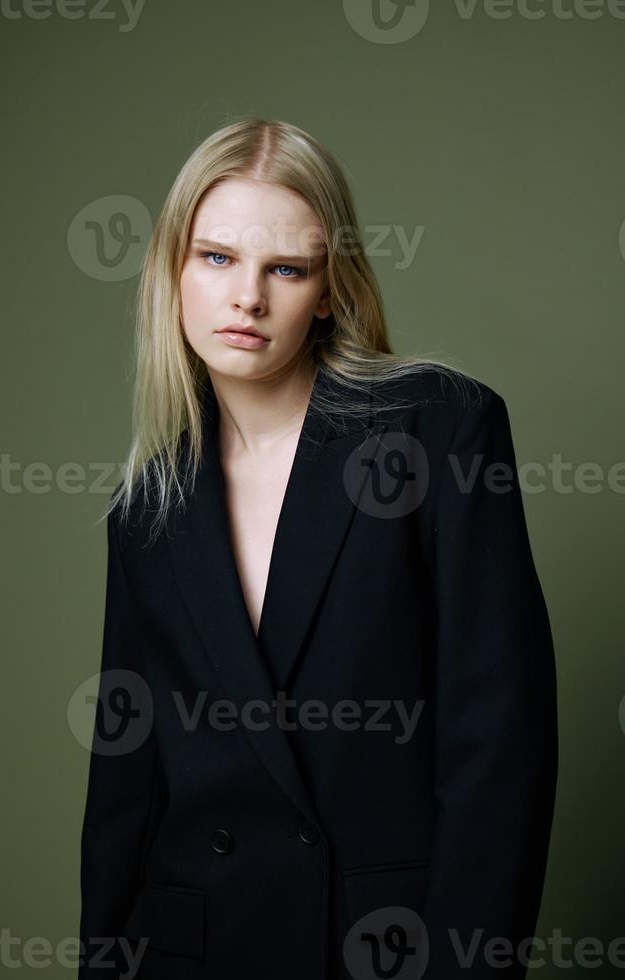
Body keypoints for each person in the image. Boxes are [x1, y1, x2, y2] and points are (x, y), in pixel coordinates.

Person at [77, 117, 558, 980]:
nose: (247, 298)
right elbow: (127, 781)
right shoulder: (147, 505)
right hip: (193, 949)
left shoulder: (438, 430)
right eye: (216, 257)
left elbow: (501, 746)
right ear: (171, 272)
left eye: (286, 268)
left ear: (330, 290)